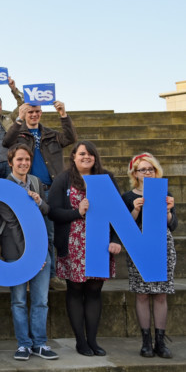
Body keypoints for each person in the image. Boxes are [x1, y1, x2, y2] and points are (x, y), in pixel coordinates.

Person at [48, 141, 122, 357]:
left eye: (90, 154)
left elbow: (118, 213)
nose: (86, 157)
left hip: (99, 243)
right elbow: (53, 212)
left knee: (94, 291)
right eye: (82, 153)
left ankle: (92, 340)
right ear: (73, 156)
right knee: (75, 290)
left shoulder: (106, 179)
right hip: (73, 243)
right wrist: (76, 213)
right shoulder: (63, 179)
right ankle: (81, 342)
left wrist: (116, 238)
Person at [3, 101, 77, 291]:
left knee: (49, 234)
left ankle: (51, 275)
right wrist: (18, 118)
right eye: (30, 112)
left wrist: (63, 114)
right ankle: (27, 272)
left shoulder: (52, 134)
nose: (33, 115)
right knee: (25, 232)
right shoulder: (19, 134)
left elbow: (70, 137)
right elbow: (6, 142)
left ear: (41, 113)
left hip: (50, 189)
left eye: (36, 111)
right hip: (27, 188)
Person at [0, 144, 58, 361]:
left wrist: (40, 201)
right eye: (19, 159)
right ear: (10, 162)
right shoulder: (4, 186)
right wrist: (31, 256)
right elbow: (11, 224)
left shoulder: (36, 182)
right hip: (17, 250)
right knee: (19, 300)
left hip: (41, 250)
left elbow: (47, 211)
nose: (24, 163)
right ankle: (23, 344)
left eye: (27, 160)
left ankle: (40, 343)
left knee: (41, 300)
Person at [123, 153, 177, 358]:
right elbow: (124, 229)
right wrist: (135, 211)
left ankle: (160, 342)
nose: (147, 172)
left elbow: (173, 225)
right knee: (142, 294)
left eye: (150, 169)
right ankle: (146, 342)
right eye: (142, 169)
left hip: (163, 246)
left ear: (156, 171)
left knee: (161, 294)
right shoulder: (128, 197)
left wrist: (168, 210)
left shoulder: (165, 193)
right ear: (135, 173)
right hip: (139, 247)